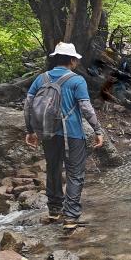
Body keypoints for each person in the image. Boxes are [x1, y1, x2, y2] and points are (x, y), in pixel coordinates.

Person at [24, 43, 105, 226]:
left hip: (48, 133)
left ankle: (54, 210)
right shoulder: (77, 80)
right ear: (71, 60)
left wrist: (30, 130)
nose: (76, 62)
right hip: (73, 134)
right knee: (75, 174)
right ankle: (70, 216)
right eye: (75, 59)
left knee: (53, 169)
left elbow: (28, 105)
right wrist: (97, 130)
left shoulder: (41, 79)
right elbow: (86, 108)